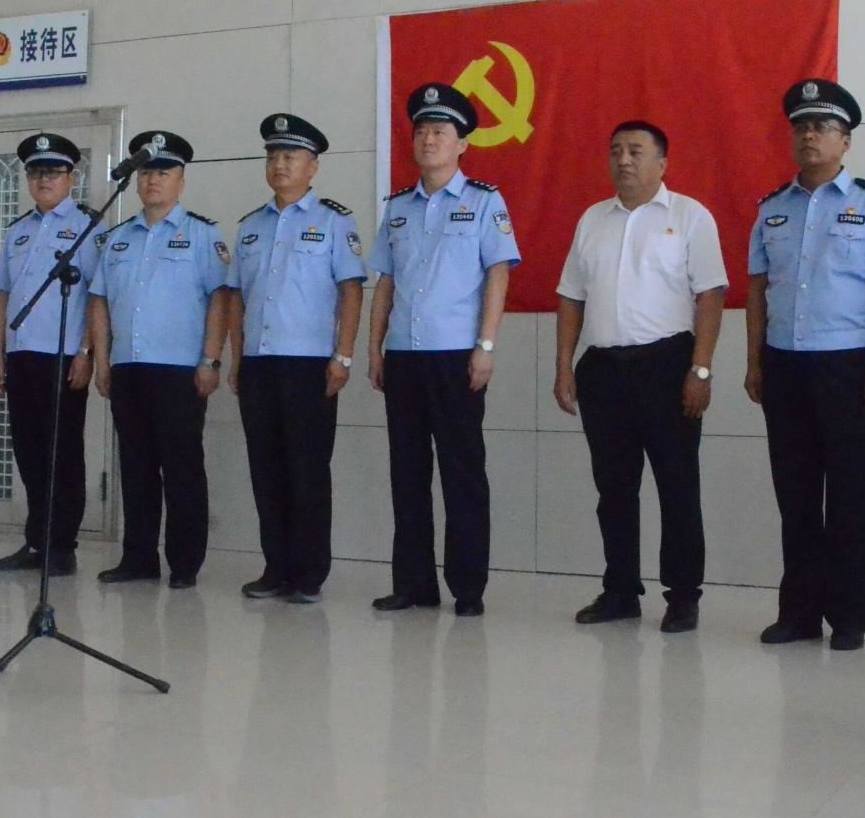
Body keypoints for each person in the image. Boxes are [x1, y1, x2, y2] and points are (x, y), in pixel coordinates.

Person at [744, 79, 865, 651]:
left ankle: (849, 616)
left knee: (848, 497)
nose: (809, 135)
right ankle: (798, 613)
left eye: (822, 127)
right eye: (801, 127)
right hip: (784, 365)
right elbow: (758, 290)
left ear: (845, 142)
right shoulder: (772, 209)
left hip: (847, 366)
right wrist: (754, 362)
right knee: (794, 496)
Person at [554, 120, 727, 634]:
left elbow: (711, 296)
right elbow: (571, 296)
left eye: (635, 151)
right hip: (603, 370)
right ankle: (620, 591)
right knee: (613, 489)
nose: (623, 160)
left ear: (662, 162)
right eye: (615, 151)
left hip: (668, 366)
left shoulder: (689, 216)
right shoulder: (592, 220)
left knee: (677, 486)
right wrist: (563, 365)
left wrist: (700, 368)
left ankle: (683, 596)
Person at [366, 83, 520, 617]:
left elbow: (498, 275)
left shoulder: (483, 201)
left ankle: (467, 587)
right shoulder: (398, 208)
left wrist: (486, 346)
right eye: (422, 131)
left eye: (440, 131)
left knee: (462, 473)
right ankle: (413, 584)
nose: (429, 140)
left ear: (462, 144)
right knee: (407, 474)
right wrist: (374, 349)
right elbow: (385, 282)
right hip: (403, 357)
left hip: (456, 356)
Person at [226, 113, 366, 603]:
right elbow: (237, 299)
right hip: (258, 363)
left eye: (290, 156)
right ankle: (275, 567)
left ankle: (308, 573)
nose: (279, 164)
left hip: (309, 365)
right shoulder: (250, 227)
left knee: (307, 471)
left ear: (313, 167)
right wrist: (237, 357)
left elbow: (352, 292)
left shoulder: (334, 221)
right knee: (265, 469)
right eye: (272, 156)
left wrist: (344, 356)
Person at [87, 130, 232, 590]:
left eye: (163, 172)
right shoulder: (116, 239)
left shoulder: (203, 235)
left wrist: (211, 360)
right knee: (136, 467)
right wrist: (103, 362)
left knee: (182, 467)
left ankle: (185, 562)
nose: (153, 180)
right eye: (147, 172)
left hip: (179, 371)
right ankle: (139, 557)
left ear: (180, 181)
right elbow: (98, 301)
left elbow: (220, 300)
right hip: (128, 367)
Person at [0, 132, 97, 575]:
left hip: (63, 357)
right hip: (21, 357)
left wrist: (87, 351)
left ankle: (62, 547)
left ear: (71, 177)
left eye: (52, 172)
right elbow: (4, 296)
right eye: (35, 173)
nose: (43, 180)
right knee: (29, 452)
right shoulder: (17, 231)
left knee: (62, 453)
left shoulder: (90, 228)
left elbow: (97, 298)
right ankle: (36, 541)